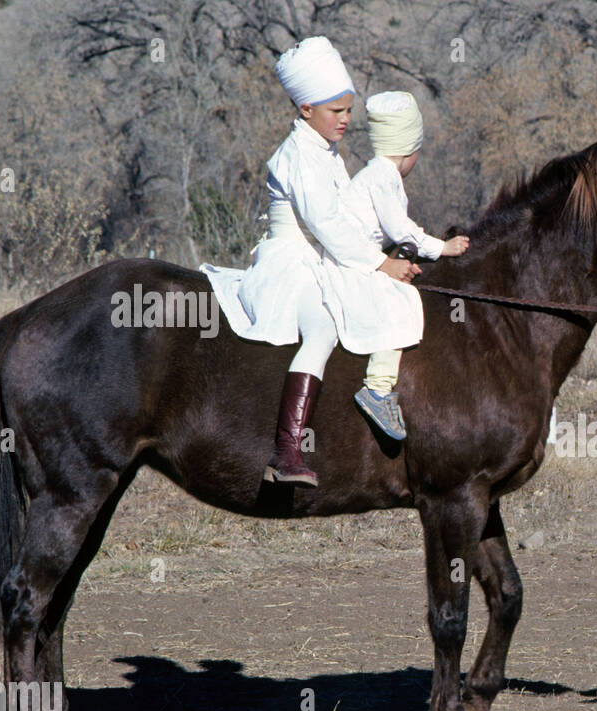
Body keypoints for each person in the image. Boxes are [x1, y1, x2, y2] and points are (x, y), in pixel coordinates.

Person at [200, 36, 420, 487]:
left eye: (348, 110)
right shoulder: (297, 154)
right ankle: (286, 453)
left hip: (323, 258)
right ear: (305, 110)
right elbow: (326, 224)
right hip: (292, 265)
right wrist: (379, 264)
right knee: (322, 329)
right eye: (335, 111)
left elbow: (345, 220)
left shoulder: (326, 151)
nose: (345, 119)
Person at [341, 91, 470, 438]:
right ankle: (378, 389)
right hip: (352, 264)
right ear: (409, 151)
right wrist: (442, 248)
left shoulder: (377, 175)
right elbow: (401, 229)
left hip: (366, 258)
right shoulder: (383, 178)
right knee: (400, 300)